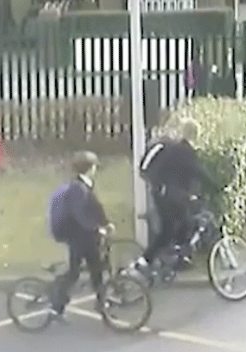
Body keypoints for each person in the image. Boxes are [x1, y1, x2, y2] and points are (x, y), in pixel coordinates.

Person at [132, 120, 219, 275]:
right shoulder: (185, 151)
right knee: (173, 227)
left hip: (165, 193)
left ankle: (178, 258)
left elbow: (184, 174)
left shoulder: (174, 149)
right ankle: (147, 261)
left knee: (182, 223)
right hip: (169, 196)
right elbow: (197, 171)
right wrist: (216, 186)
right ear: (195, 135)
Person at [49, 151, 114, 323]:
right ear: (89, 168)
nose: (95, 170)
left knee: (97, 269)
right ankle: (56, 306)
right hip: (78, 237)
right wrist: (96, 228)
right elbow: (79, 214)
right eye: (94, 167)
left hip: (86, 236)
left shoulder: (85, 185)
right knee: (74, 273)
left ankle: (101, 303)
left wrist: (105, 223)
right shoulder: (77, 188)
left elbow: (95, 207)